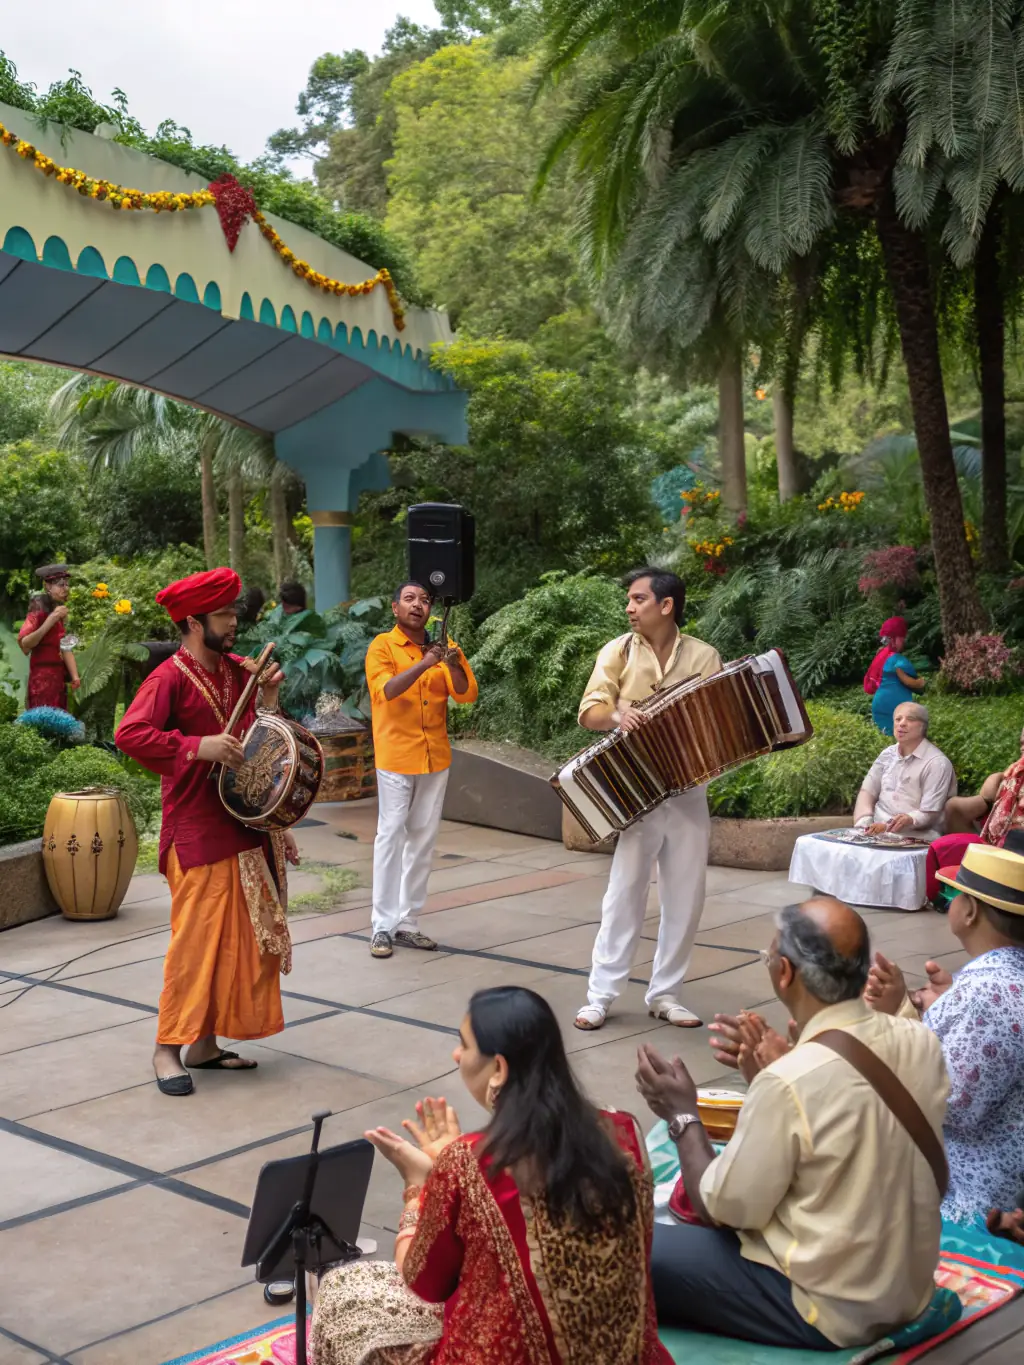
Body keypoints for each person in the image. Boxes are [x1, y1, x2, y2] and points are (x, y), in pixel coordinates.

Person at [642, 897, 948, 1350]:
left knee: (629, 1246)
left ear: (784, 972)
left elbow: (723, 1208)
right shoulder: (919, 1039)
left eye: (768, 957)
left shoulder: (789, 1079)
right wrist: (768, 1076)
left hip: (828, 1309)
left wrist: (682, 1114)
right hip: (908, 1291)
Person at [310, 986, 672, 1365]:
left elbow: (423, 1282)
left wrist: (419, 1187)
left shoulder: (469, 1162)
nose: (456, 1055)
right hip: (628, 1357)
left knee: (343, 1290)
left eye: (464, 1045)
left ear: (498, 1068)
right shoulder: (624, 1130)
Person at [115, 567, 299, 1097]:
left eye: (233, 611)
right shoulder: (168, 677)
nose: (234, 621)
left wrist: (268, 700)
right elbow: (130, 734)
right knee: (195, 948)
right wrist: (198, 747)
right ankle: (166, 1050)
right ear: (194, 623)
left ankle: (204, 1046)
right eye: (223, 614)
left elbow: (261, 740)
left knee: (239, 948)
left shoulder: (237, 671)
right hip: (196, 829)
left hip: (243, 823)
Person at [574, 568, 722, 1032]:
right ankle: (600, 996)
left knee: (686, 896)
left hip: (689, 788)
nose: (629, 608)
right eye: (630, 600)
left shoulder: (704, 655)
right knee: (623, 893)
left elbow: (718, 722)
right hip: (636, 788)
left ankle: (666, 995)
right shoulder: (618, 651)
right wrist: (619, 714)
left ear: (666, 605)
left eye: (638, 599)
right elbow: (589, 711)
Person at [864, 842, 1024, 1226]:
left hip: (969, 1205)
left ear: (970, 911)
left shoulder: (986, 994)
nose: (948, 902)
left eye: (954, 895)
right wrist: (940, 1009)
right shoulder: (998, 982)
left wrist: (897, 1018)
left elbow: (948, 1102)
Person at [364, 582, 477, 959]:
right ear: (395, 608)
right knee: (391, 834)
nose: (418, 605)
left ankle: (408, 923)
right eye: (410, 599)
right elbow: (385, 691)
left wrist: (452, 663)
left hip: (434, 756)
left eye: (425, 600)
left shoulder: (445, 646)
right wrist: (426, 663)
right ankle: (382, 926)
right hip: (396, 755)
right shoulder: (383, 646)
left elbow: (466, 694)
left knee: (423, 839)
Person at [923, 725, 1024, 905]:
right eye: (1022, 743)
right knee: (942, 846)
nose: (1023, 748)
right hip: (1001, 849)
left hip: (1016, 857)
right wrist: (990, 793)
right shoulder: (1014, 775)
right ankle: (951, 900)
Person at [852, 702, 955, 842]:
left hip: (917, 839)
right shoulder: (887, 754)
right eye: (898, 719)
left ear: (923, 726)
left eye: (910, 719)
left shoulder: (937, 763)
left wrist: (909, 819)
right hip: (876, 834)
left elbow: (930, 813)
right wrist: (864, 823)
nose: (902, 723)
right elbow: (867, 792)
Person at [18, 563, 80, 708]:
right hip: (41, 680)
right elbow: (25, 643)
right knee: (44, 718)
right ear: (47, 586)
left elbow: (65, 646)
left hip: (58, 678)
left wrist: (75, 676)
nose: (66, 589)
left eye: (67, 584)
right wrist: (51, 619)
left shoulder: (59, 609)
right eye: (61, 585)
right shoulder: (38, 610)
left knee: (59, 717)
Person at [869, 617, 925, 737]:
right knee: (901, 737)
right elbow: (908, 681)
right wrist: (920, 683)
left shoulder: (881, 655)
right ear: (894, 639)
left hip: (879, 704)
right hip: (894, 709)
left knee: (884, 737)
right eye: (901, 638)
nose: (903, 641)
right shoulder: (898, 661)